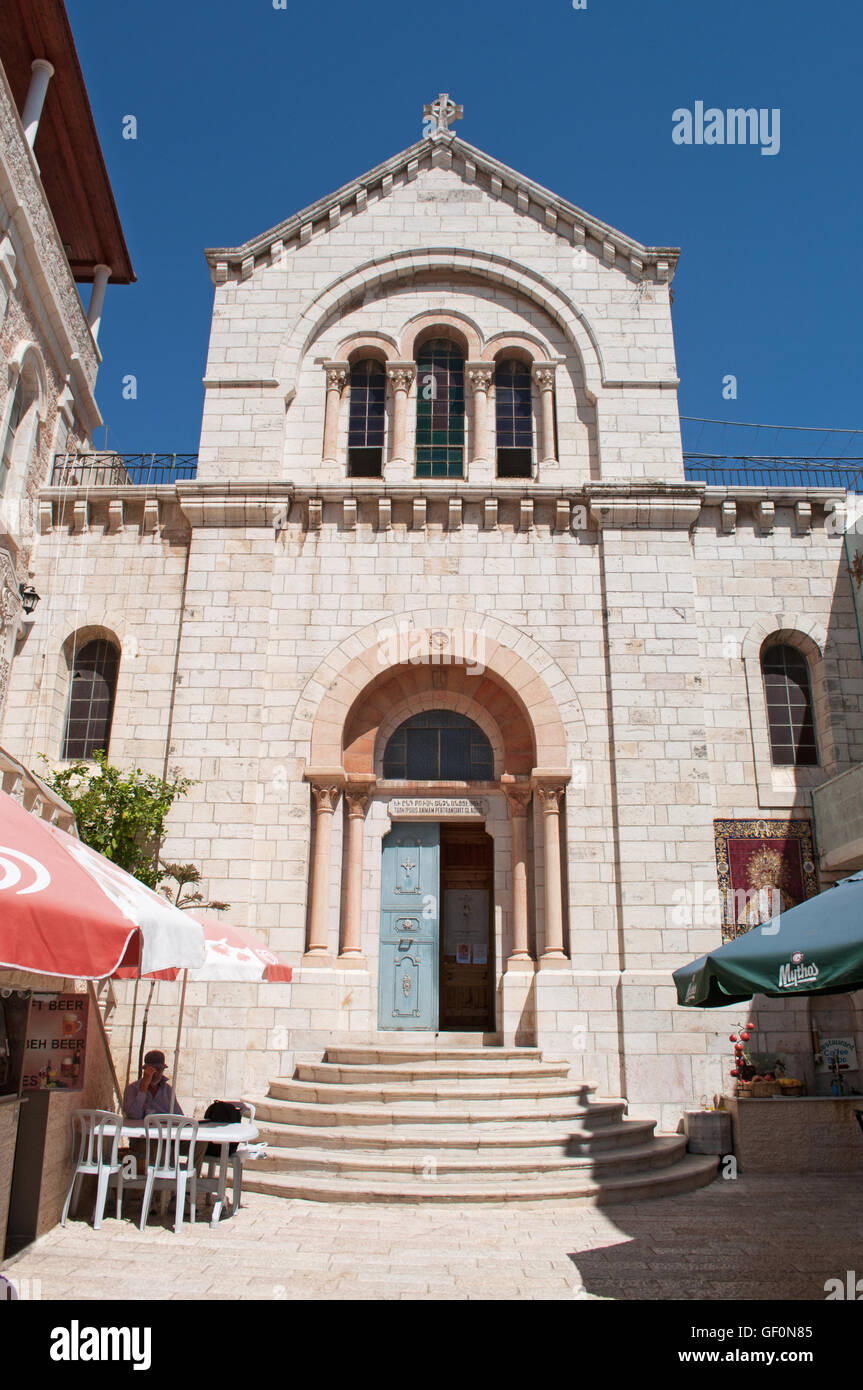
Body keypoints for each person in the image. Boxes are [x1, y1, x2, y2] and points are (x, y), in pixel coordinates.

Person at [123, 1049, 183, 1120]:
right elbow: (133, 1115)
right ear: (145, 1070)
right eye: (152, 1070)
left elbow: (179, 1117)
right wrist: (144, 1086)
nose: (155, 1074)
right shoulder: (132, 1089)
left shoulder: (167, 1090)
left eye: (159, 1070)